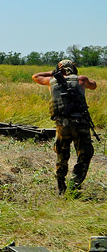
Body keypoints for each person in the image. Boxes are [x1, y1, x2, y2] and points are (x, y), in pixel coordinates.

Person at [32, 59, 97, 195]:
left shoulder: (52, 81)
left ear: (59, 70)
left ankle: (61, 185)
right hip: (80, 124)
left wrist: (55, 72)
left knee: (62, 156)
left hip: (62, 125)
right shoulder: (81, 80)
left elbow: (36, 76)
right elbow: (94, 85)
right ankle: (74, 184)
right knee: (85, 154)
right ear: (74, 68)